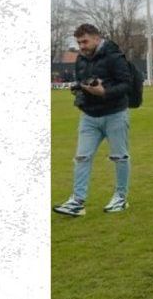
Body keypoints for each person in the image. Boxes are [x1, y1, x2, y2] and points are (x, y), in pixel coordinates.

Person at [53, 24, 133, 217]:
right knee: (81, 157)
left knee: (119, 157)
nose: (81, 46)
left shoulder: (114, 57)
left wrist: (104, 91)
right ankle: (77, 202)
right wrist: (80, 89)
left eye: (85, 41)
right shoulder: (80, 59)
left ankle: (121, 198)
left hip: (115, 114)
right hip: (89, 116)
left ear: (97, 39)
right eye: (79, 42)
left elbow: (127, 84)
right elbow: (83, 80)